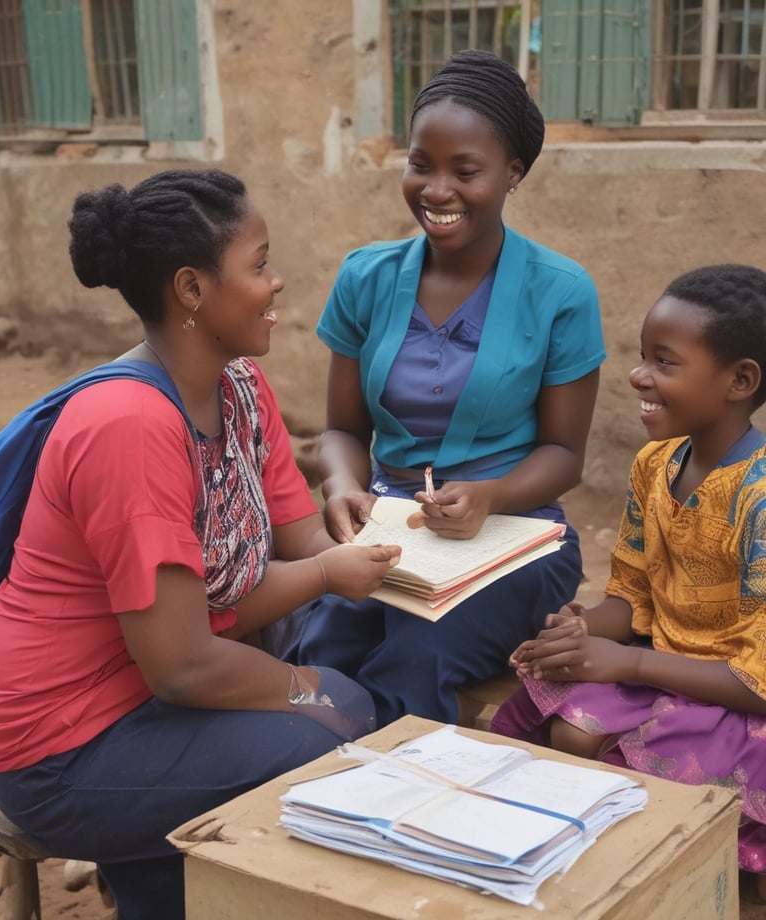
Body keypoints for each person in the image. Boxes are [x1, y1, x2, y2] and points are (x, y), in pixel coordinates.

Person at [0, 168, 401, 920]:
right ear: (191, 289)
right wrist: (305, 692)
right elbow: (183, 665)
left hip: (146, 706)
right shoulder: (129, 427)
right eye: (258, 265)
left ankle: (156, 887)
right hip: (62, 747)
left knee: (336, 696)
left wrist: (383, 544)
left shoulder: (238, 384)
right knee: (338, 718)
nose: (277, 284)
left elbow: (301, 539)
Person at [284, 50, 606, 727]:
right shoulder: (365, 278)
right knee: (324, 643)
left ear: (513, 173)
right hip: (394, 530)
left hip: (514, 536)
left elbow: (563, 454)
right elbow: (343, 431)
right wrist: (344, 485)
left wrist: (488, 495)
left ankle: (399, 812)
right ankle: (304, 789)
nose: (436, 190)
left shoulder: (560, 292)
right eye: (421, 164)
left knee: (420, 652)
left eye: (466, 171)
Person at [491, 263, 766, 904]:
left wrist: (631, 661)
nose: (640, 375)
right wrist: (581, 631)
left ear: (740, 381)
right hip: (666, 670)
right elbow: (633, 597)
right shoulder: (655, 464)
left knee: (622, 759)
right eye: (643, 356)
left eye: (665, 362)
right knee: (571, 725)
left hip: (738, 693)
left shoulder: (758, 499)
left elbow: (759, 679)